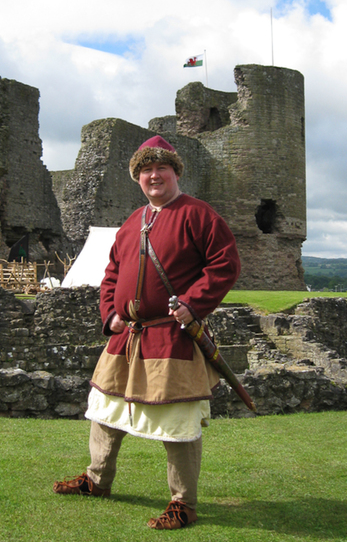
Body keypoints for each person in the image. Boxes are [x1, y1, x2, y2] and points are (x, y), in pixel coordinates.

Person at [53, 135, 241, 529]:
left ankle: (182, 504)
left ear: (175, 172)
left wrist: (193, 303)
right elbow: (111, 275)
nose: (153, 175)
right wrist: (110, 314)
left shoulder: (199, 215)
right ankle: (96, 480)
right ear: (137, 177)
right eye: (145, 170)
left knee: (177, 421)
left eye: (161, 168)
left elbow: (224, 265)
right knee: (104, 410)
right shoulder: (131, 223)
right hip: (126, 337)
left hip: (171, 337)